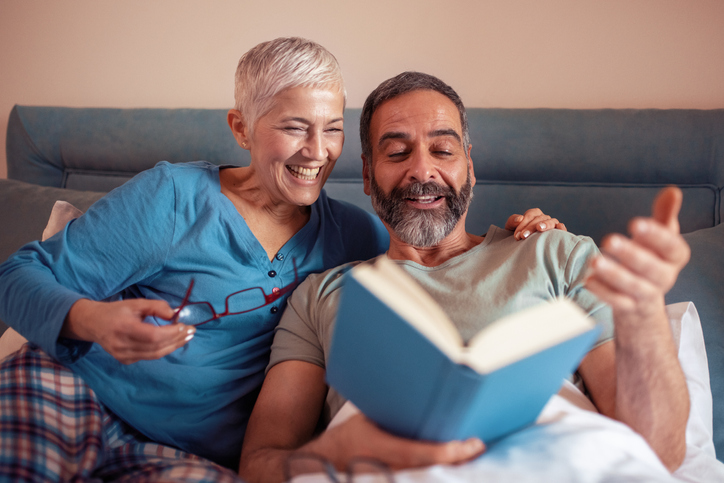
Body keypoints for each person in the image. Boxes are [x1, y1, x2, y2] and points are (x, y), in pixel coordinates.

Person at [0, 40, 558, 481]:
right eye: (294, 127)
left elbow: (438, 254)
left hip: (186, 454)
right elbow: (16, 275)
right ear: (241, 128)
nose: (316, 152)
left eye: (332, 128)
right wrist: (90, 319)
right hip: (76, 390)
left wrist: (516, 233)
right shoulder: (173, 197)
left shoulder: (353, 237)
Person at [237, 71, 691, 483]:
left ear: (469, 166)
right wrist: (330, 454)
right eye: (396, 152)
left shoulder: (555, 253)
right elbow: (258, 464)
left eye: (443, 150)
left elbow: (658, 452)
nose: (421, 170)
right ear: (369, 176)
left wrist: (646, 309)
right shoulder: (321, 296)